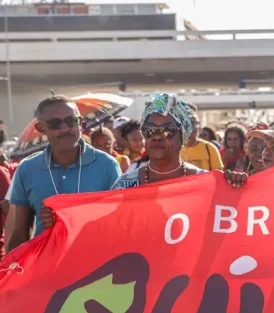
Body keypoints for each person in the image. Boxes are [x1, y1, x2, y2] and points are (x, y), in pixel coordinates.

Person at [6, 95, 121, 253]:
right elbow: (19, 230)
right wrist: (12, 264)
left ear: (80, 123)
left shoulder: (107, 165)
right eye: (55, 123)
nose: (65, 128)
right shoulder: (27, 168)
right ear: (41, 128)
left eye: (71, 121)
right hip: (46, 262)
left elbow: (119, 221)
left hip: (95, 262)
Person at [112, 93, 247, 190]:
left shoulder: (205, 183)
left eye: (167, 130)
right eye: (149, 130)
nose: (156, 137)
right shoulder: (124, 185)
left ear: (184, 136)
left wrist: (235, 187)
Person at [180, 105, 224, 172]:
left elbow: (218, 174)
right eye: (186, 123)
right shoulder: (173, 149)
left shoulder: (209, 148)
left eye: (193, 122)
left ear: (199, 126)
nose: (190, 127)